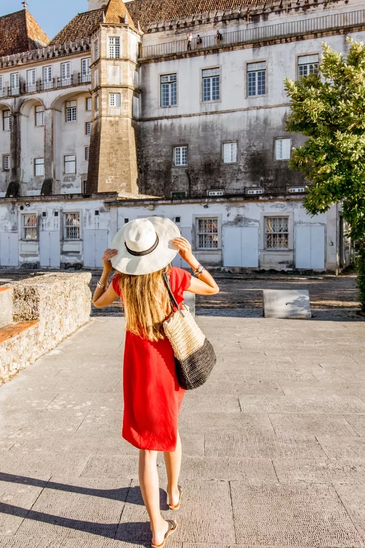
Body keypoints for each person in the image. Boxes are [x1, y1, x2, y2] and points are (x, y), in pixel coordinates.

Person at [92, 217, 219, 548]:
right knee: (170, 429)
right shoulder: (173, 277)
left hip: (138, 370)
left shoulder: (123, 284)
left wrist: (106, 270)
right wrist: (191, 259)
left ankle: (157, 524)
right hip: (168, 367)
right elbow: (212, 288)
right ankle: (173, 493)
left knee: (148, 449)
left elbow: (97, 302)